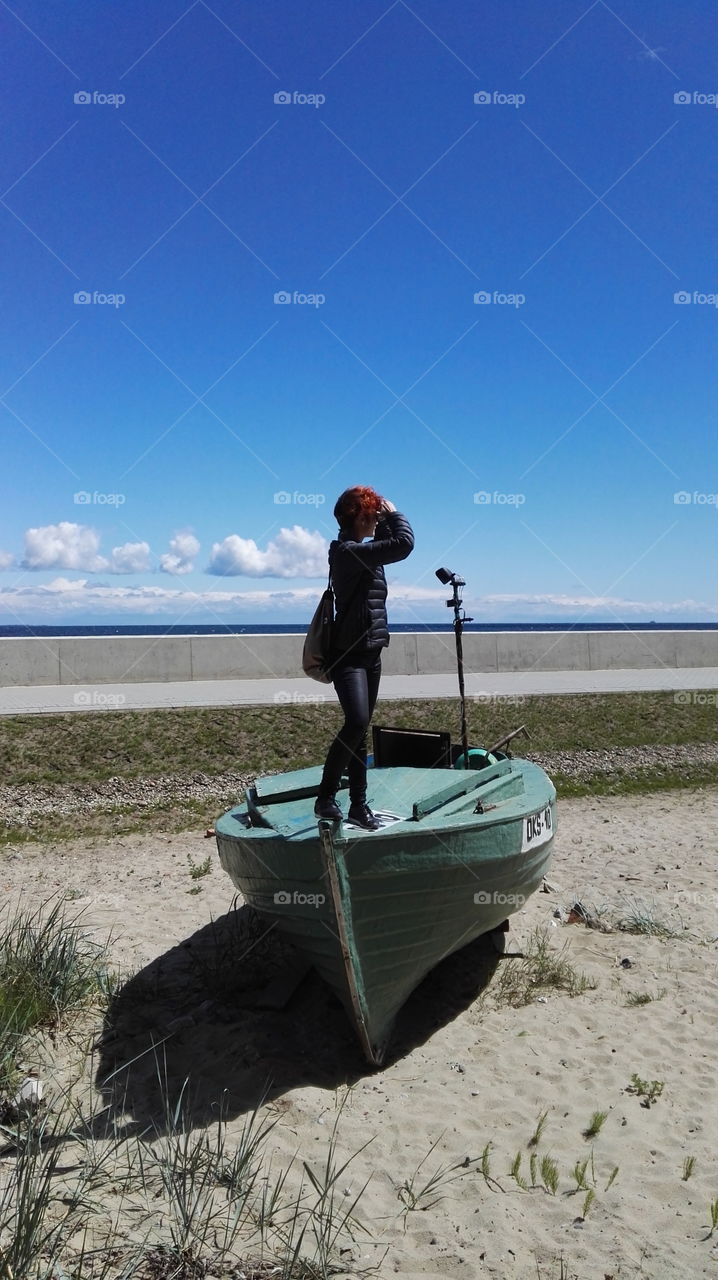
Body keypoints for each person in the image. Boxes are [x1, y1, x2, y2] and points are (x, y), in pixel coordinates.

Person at [314, 486, 415, 829]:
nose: (376, 518)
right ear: (358, 516)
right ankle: (325, 797)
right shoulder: (348, 552)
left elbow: (387, 546)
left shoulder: (365, 551)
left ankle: (359, 806)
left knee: (361, 731)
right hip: (349, 657)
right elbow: (403, 545)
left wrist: (385, 520)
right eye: (371, 513)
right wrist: (396, 513)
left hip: (372, 653)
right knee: (356, 723)